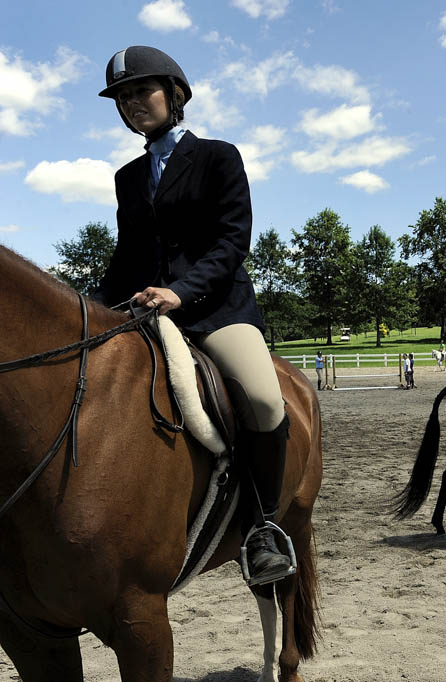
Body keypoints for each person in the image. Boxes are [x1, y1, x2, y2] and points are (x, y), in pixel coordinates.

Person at [92, 46, 292, 586]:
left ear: (175, 94)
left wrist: (180, 292)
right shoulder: (127, 177)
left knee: (263, 399)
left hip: (216, 309)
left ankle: (264, 527)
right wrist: (88, 308)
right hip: (148, 312)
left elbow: (232, 243)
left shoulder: (219, 157)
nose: (132, 103)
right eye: (122, 97)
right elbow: (126, 256)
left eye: (141, 91)